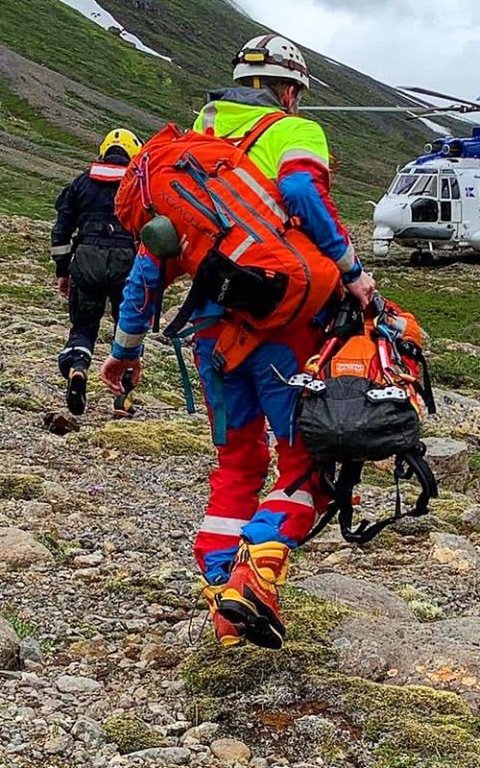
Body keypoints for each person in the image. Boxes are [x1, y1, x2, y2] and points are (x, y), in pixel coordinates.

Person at [100, 34, 376, 650]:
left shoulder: (186, 157)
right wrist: (354, 274)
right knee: (310, 466)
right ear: (289, 89)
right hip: (285, 335)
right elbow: (304, 192)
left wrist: (124, 350)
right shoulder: (288, 132)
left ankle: (225, 608)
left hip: (213, 339)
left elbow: (150, 265)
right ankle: (256, 574)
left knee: (237, 465)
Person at [52, 129, 142, 416]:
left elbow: (62, 230)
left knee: (83, 327)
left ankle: (78, 369)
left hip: (86, 260)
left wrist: (63, 271)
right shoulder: (139, 184)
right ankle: (123, 398)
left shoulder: (81, 183)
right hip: (126, 263)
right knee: (126, 329)